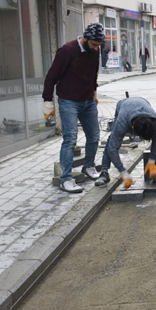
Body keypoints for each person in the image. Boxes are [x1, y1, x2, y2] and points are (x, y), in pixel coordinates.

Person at [42, 23, 104, 193]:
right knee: (70, 139)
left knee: (94, 135)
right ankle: (66, 179)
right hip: (69, 101)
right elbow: (51, 76)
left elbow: (93, 72)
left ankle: (88, 166)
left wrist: (94, 91)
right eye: (93, 44)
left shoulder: (95, 50)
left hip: (88, 100)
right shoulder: (67, 51)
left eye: (98, 45)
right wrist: (47, 100)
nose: (96, 48)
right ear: (85, 38)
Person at [95, 97, 156, 187]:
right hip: (123, 106)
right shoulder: (122, 123)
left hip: (143, 103)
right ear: (132, 129)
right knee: (112, 140)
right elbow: (112, 149)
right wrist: (123, 172)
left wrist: (151, 161)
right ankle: (104, 172)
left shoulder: (154, 120)